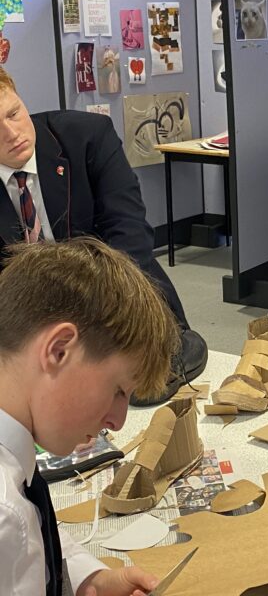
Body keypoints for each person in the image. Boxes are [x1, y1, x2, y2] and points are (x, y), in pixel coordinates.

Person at [0, 66, 207, 405]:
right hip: (35, 328)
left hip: (116, 298)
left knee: (135, 390)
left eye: (14, 113)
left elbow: (129, 235)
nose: (12, 133)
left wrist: (93, 327)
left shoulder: (87, 136)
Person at [0, 237, 180, 595]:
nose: (118, 421)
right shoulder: (7, 517)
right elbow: (17, 530)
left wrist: (86, 579)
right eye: (117, 391)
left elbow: (31, 530)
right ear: (59, 350)